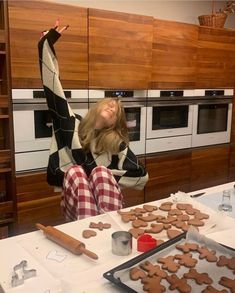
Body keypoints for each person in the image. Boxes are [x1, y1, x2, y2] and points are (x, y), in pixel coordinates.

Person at [38, 21, 149, 221]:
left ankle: (109, 229)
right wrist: (47, 43)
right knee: (77, 173)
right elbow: (53, 89)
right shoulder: (72, 124)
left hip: (108, 210)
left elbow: (141, 175)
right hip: (75, 205)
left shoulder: (115, 144)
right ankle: (88, 229)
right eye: (109, 103)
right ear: (96, 107)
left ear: (114, 124)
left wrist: (100, 176)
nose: (113, 107)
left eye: (116, 112)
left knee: (100, 172)